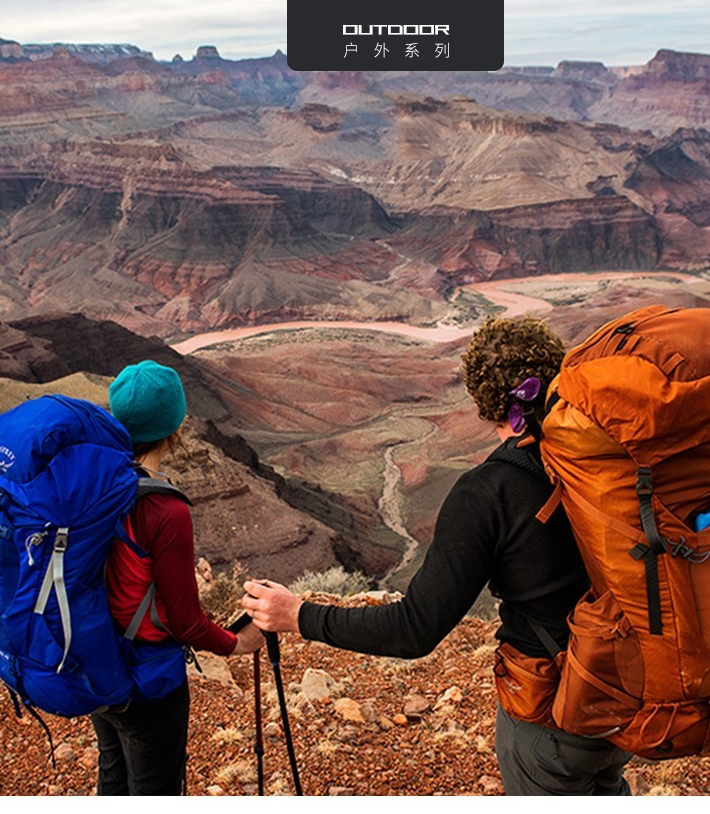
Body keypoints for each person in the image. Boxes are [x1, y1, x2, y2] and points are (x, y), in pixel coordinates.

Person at [242, 317, 632, 796]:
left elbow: (414, 629)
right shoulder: (612, 459)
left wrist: (298, 615)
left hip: (551, 712)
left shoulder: (487, 492)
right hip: (623, 696)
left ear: (484, 401)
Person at [92, 360, 263, 796]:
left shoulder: (90, 483)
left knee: (113, 777)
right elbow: (185, 621)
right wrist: (238, 643)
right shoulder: (164, 511)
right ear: (177, 424)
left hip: (96, 662)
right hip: (148, 680)